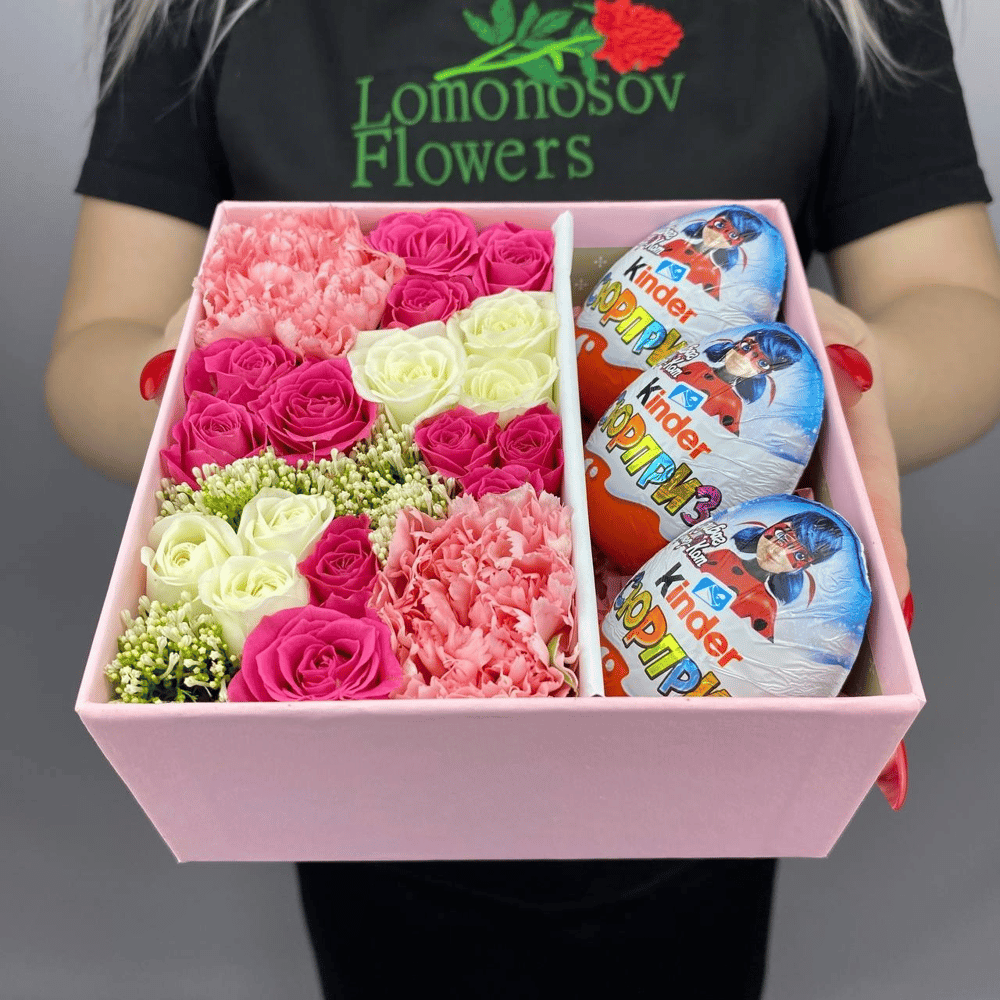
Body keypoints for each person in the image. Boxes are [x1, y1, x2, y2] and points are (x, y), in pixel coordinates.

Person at [45, 1, 1000, 997]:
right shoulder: (195, 16)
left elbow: (961, 313)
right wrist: (200, 381)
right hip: (362, 787)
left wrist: (829, 374)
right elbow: (92, 353)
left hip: (698, 766)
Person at [701, 513, 843, 640]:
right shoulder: (722, 556)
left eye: (799, 555)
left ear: (804, 567)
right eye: (781, 536)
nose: (778, 552)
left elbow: (753, 645)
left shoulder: (764, 605)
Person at [674, 327, 805, 433]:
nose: (745, 358)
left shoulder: (732, 403)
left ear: (764, 372)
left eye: (762, 362)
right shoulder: (697, 366)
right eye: (747, 347)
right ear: (738, 343)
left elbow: (724, 439)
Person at [645, 207, 768, 298]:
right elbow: (647, 260)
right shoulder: (678, 244)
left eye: (733, 235)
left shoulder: (712, 274)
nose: (720, 234)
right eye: (720, 224)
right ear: (710, 220)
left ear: (737, 243)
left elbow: (706, 304)